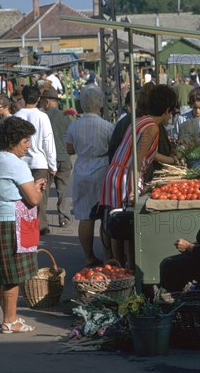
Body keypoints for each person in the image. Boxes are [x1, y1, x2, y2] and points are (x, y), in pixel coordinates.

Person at [0, 116, 47, 334]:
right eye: (26, 141)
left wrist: (32, 187)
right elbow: (34, 199)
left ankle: (9, 317)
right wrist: (37, 188)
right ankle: (10, 320)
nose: (28, 146)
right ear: (15, 140)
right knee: (12, 276)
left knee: (2, 274)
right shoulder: (15, 163)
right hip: (11, 222)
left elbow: (11, 189)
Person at [101, 84, 176, 265]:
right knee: (127, 226)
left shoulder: (141, 121)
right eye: (171, 113)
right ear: (166, 110)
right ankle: (127, 268)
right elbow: (138, 158)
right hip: (126, 177)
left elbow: (148, 153)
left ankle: (119, 266)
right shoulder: (152, 128)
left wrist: (172, 160)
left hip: (116, 173)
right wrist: (135, 188)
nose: (170, 117)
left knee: (117, 223)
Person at [66, 85, 114, 266]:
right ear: (100, 104)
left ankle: (89, 256)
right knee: (104, 215)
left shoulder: (74, 125)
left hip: (81, 169)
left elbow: (70, 149)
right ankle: (108, 255)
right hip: (101, 169)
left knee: (85, 215)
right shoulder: (107, 126)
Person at [14, 85, 57, 236]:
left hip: (21, 162)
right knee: (40, 195)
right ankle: (41, 226)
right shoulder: (42, 116)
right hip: (40, 162)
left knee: (23, 195)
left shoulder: (17, 116)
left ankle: (24, 224)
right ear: (39, 99)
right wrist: (53, 164)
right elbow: (48, 141)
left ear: (23, 98)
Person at [40, 87, 73, 228]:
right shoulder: (66, 117)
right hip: (64, 158)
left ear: (47, 102)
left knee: (43, 191)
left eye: (42, 101)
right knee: (63, 190)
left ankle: (42, 221)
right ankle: (64, 218)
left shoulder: (43, 117)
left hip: (47, 159)